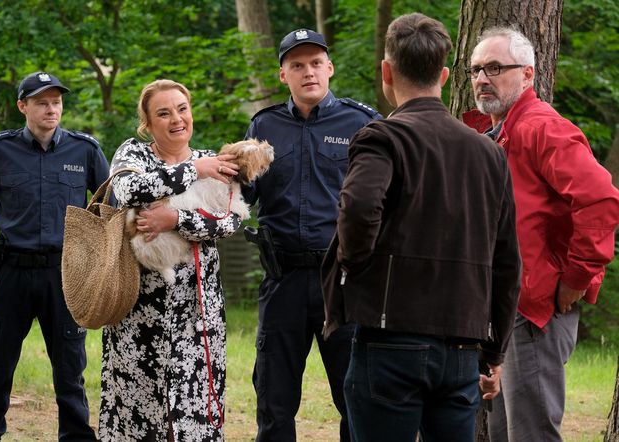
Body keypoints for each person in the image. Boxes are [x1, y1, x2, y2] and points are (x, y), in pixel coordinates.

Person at [320, 13, 523, 441]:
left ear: (386, 72)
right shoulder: (488, 154)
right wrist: (494, 351)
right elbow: (507, 260)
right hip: (463, 345)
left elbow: (358, 209)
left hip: (391, 338)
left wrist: (355, 268)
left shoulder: (383, 138)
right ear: (445, 75)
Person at [463, 27, 619, 442]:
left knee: (530, 433)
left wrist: (574, 278)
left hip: (535, 309)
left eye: (495, 68)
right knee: (501, 432)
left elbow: (602, 199)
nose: (482, 78)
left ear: (528, 74)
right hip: (502, 305)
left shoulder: (543, 128)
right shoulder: (493, 132)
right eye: (476, 69)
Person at [241, 28, 381, 441]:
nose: (308, 72)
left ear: (330, 68)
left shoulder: (362, 123)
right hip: (282, 279)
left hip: (343, 281)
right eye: (297, 65)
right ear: (283, 74)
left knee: (355, 397)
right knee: (274, 399)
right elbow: (239, 197)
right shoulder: (264, 125)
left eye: (316, 63)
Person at [0, 72, 108, 441]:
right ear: (23, 106)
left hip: (65, 276)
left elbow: (111, 210)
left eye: (56, 102)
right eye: (41, 102)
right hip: (12, 276)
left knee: (70, 376)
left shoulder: (84, 150)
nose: (51, 109)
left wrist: (100, 267)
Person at [99, 79, 243, 441]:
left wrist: (175, 220)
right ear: (147, 124)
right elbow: (128, 189)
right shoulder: (134, 154)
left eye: (182, 108)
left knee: (194, 412)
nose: (177, 118)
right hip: (139, 310)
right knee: (139, 412)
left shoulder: (210, 159)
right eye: (163, 113)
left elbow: (231, 219)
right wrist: (196, 172)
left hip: (198, 312)